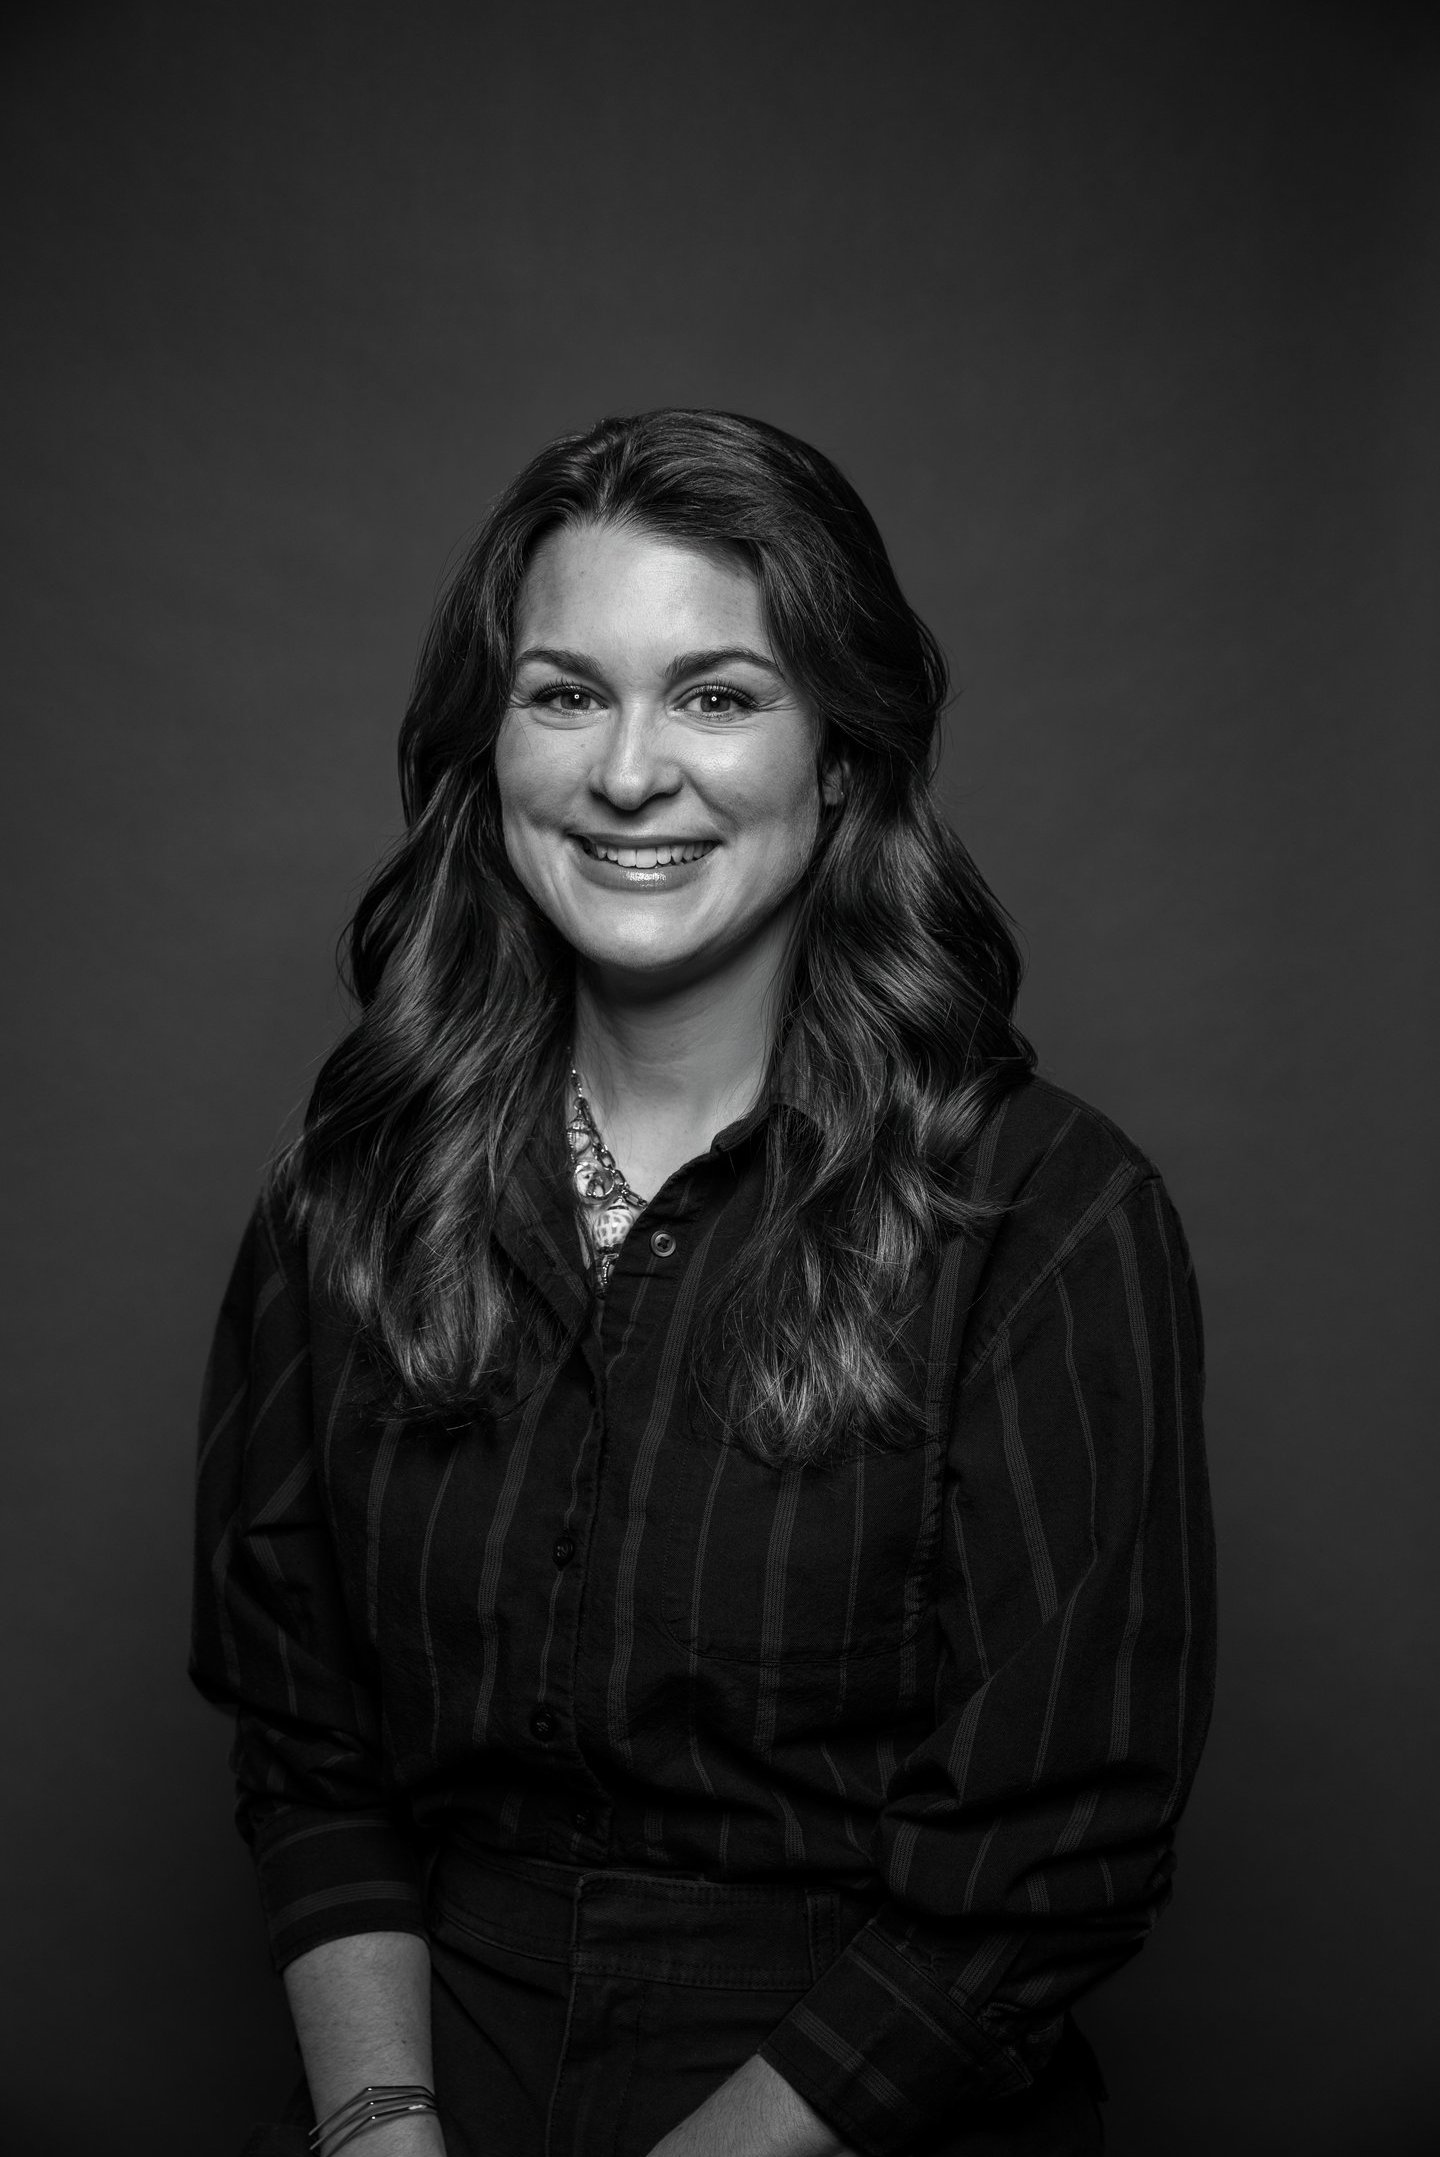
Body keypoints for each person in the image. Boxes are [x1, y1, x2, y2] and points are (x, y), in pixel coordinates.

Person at [191, 408, 1215, 2157]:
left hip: (856, 2109)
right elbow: (313, 1755)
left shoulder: (1047, 1213)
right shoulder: (352, 1193)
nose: (626, 772)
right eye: (566, 691)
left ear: (839, 760)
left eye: (719, 694)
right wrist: (377, 2130)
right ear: (489, 742)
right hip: (438, 2090)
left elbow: (1041, 1870)